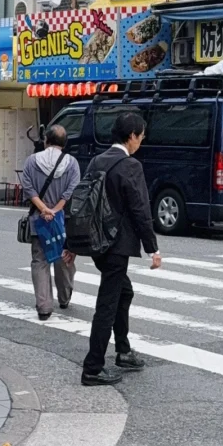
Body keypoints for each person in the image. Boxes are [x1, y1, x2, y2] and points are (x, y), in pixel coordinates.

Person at [81, 109, 162, 386]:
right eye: (141, 136)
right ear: (132, 136)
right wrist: (153, 248)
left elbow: (84, 203)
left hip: (97, 243)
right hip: (117, 245)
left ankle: (124, 350)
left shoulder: (97, 161)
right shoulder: (130, 166)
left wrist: (72, 244)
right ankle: (93, 367)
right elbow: (140, 209)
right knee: (107, 304)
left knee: (124, 293)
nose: (141, 141)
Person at [19, 123, 80, 321]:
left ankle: (44, 307)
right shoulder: (72, 163)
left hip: (39, 219)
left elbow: (28, 188)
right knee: (64, 258)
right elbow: (71, 191)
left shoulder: (32, 161)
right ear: (65, 143)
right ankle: (64, 297)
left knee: (40, 260)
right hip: (62, 220)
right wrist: (56, 209)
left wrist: (43, 208)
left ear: (46, 140)